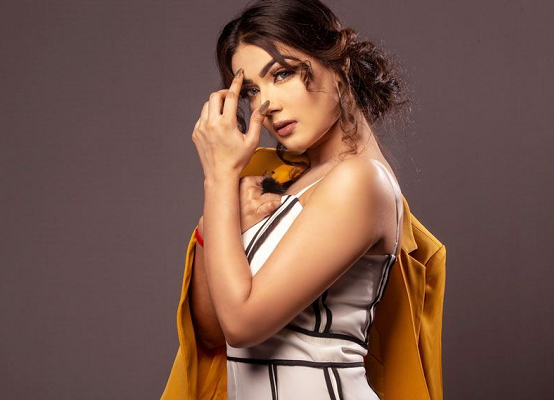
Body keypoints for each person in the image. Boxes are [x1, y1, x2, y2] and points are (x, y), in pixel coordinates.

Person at [162, 0, 446, 398]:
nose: (267, 105)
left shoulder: (360, 181)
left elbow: (242, 325)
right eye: (252, 91)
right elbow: (213, 332)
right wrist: (218, 224)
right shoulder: (281, 183)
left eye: (282, 74)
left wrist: (218, 177)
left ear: (339, 62)